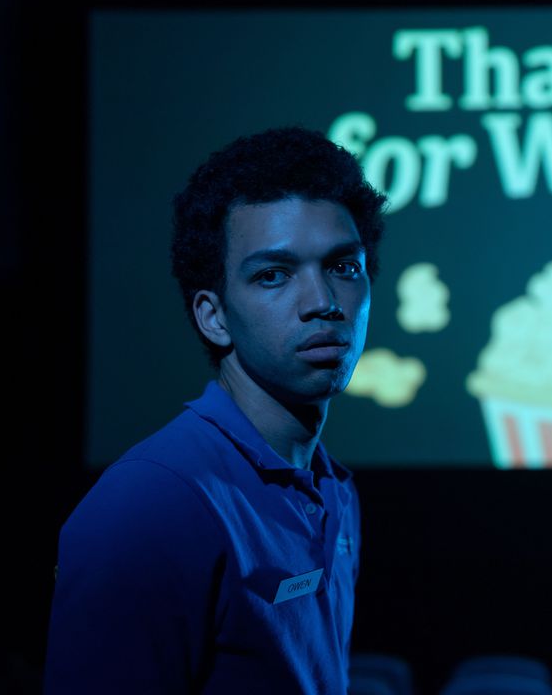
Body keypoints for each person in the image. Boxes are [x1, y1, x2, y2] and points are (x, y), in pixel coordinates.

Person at [45, 127, 387, 693]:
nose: (323, 302)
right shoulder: (152, 503)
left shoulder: (332, 489)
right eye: (273, 274)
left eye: (343, 267)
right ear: (213, 317)